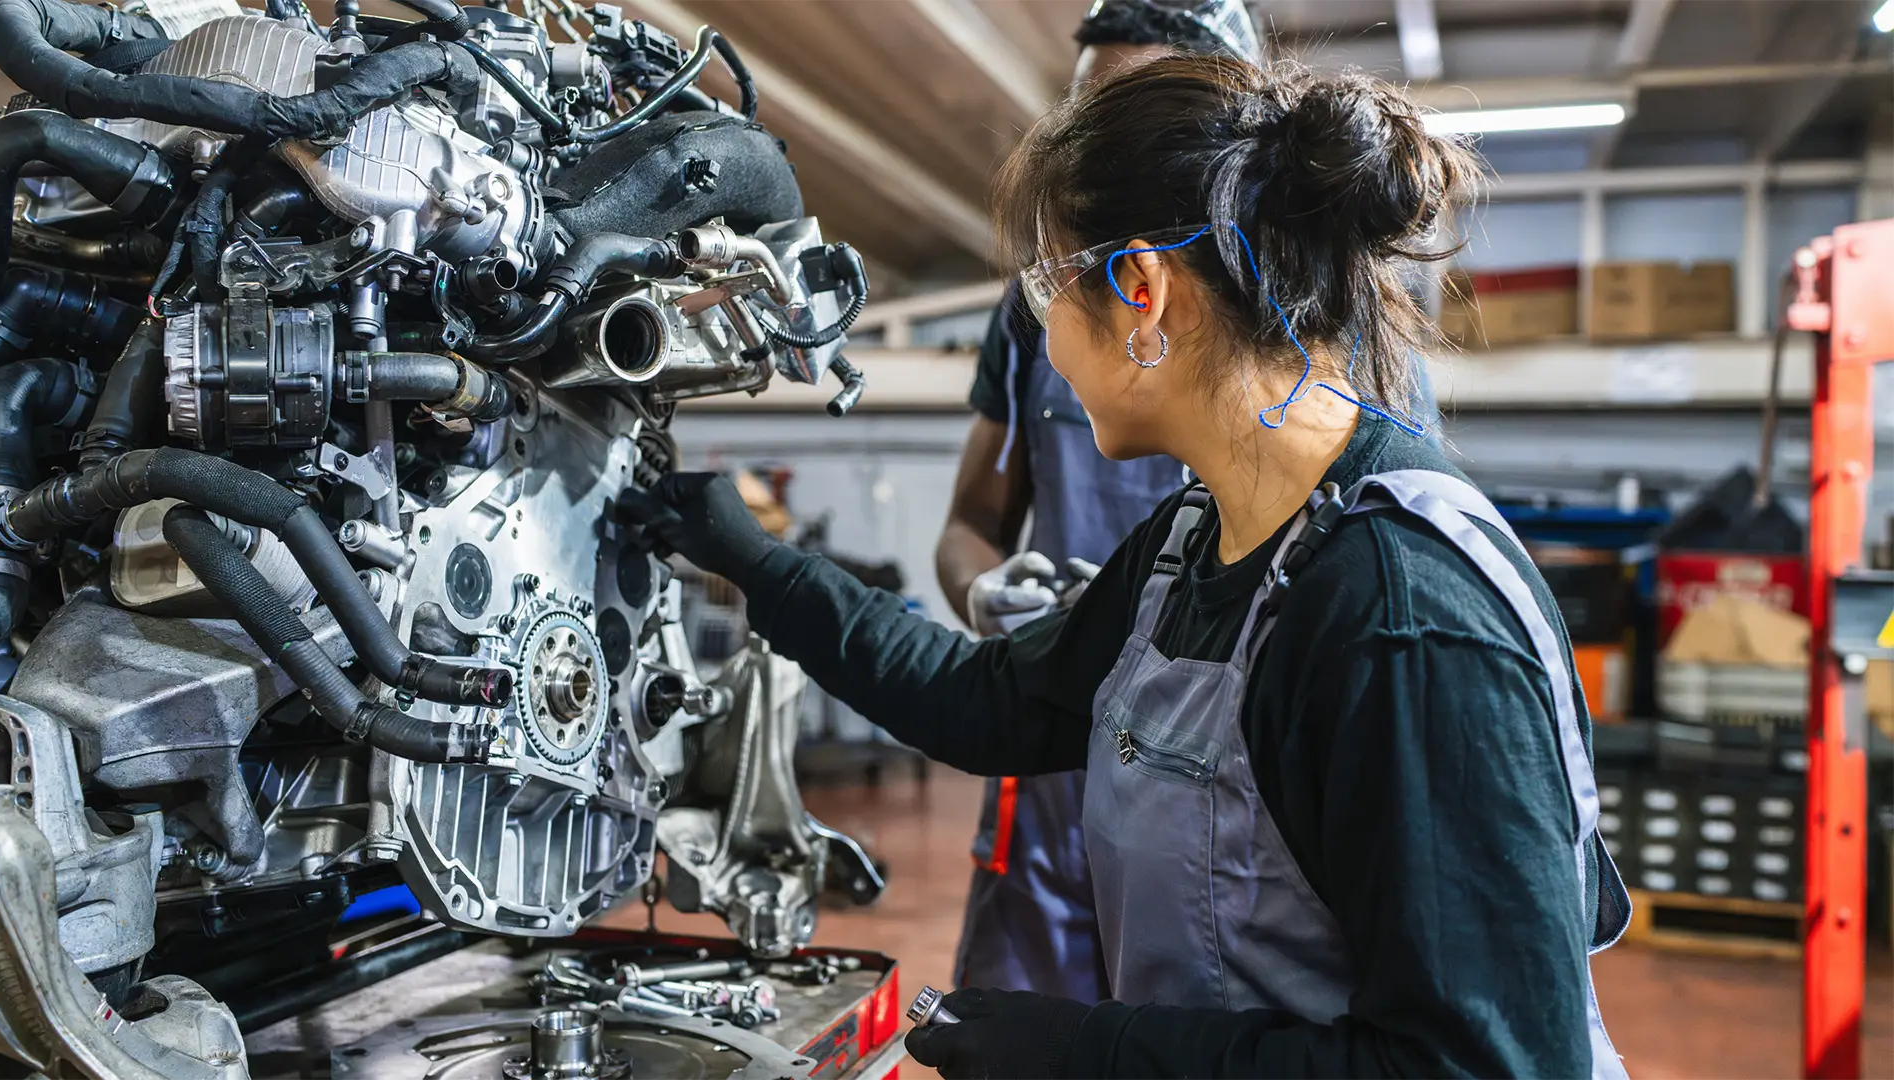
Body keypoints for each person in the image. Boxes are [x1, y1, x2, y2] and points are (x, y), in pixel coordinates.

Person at [619, 54, 1629, 1080]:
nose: (1047, 337)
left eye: (1050, 286)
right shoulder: (1202, 535)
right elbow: (991, 704)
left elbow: (1480, 1067)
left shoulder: (1401, 620)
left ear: (1143, 291)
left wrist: (1086, 1052)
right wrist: (753, 560)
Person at [934, 0, 1265, 1008]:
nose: (1087, 158)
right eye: (1081, 118)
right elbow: (968, 526)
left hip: (1231, 789)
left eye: (1125, 117)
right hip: (1054, 769)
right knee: (1017, 1033)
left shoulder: (1296, 318)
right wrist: (987, 594)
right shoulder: (1043, 300)